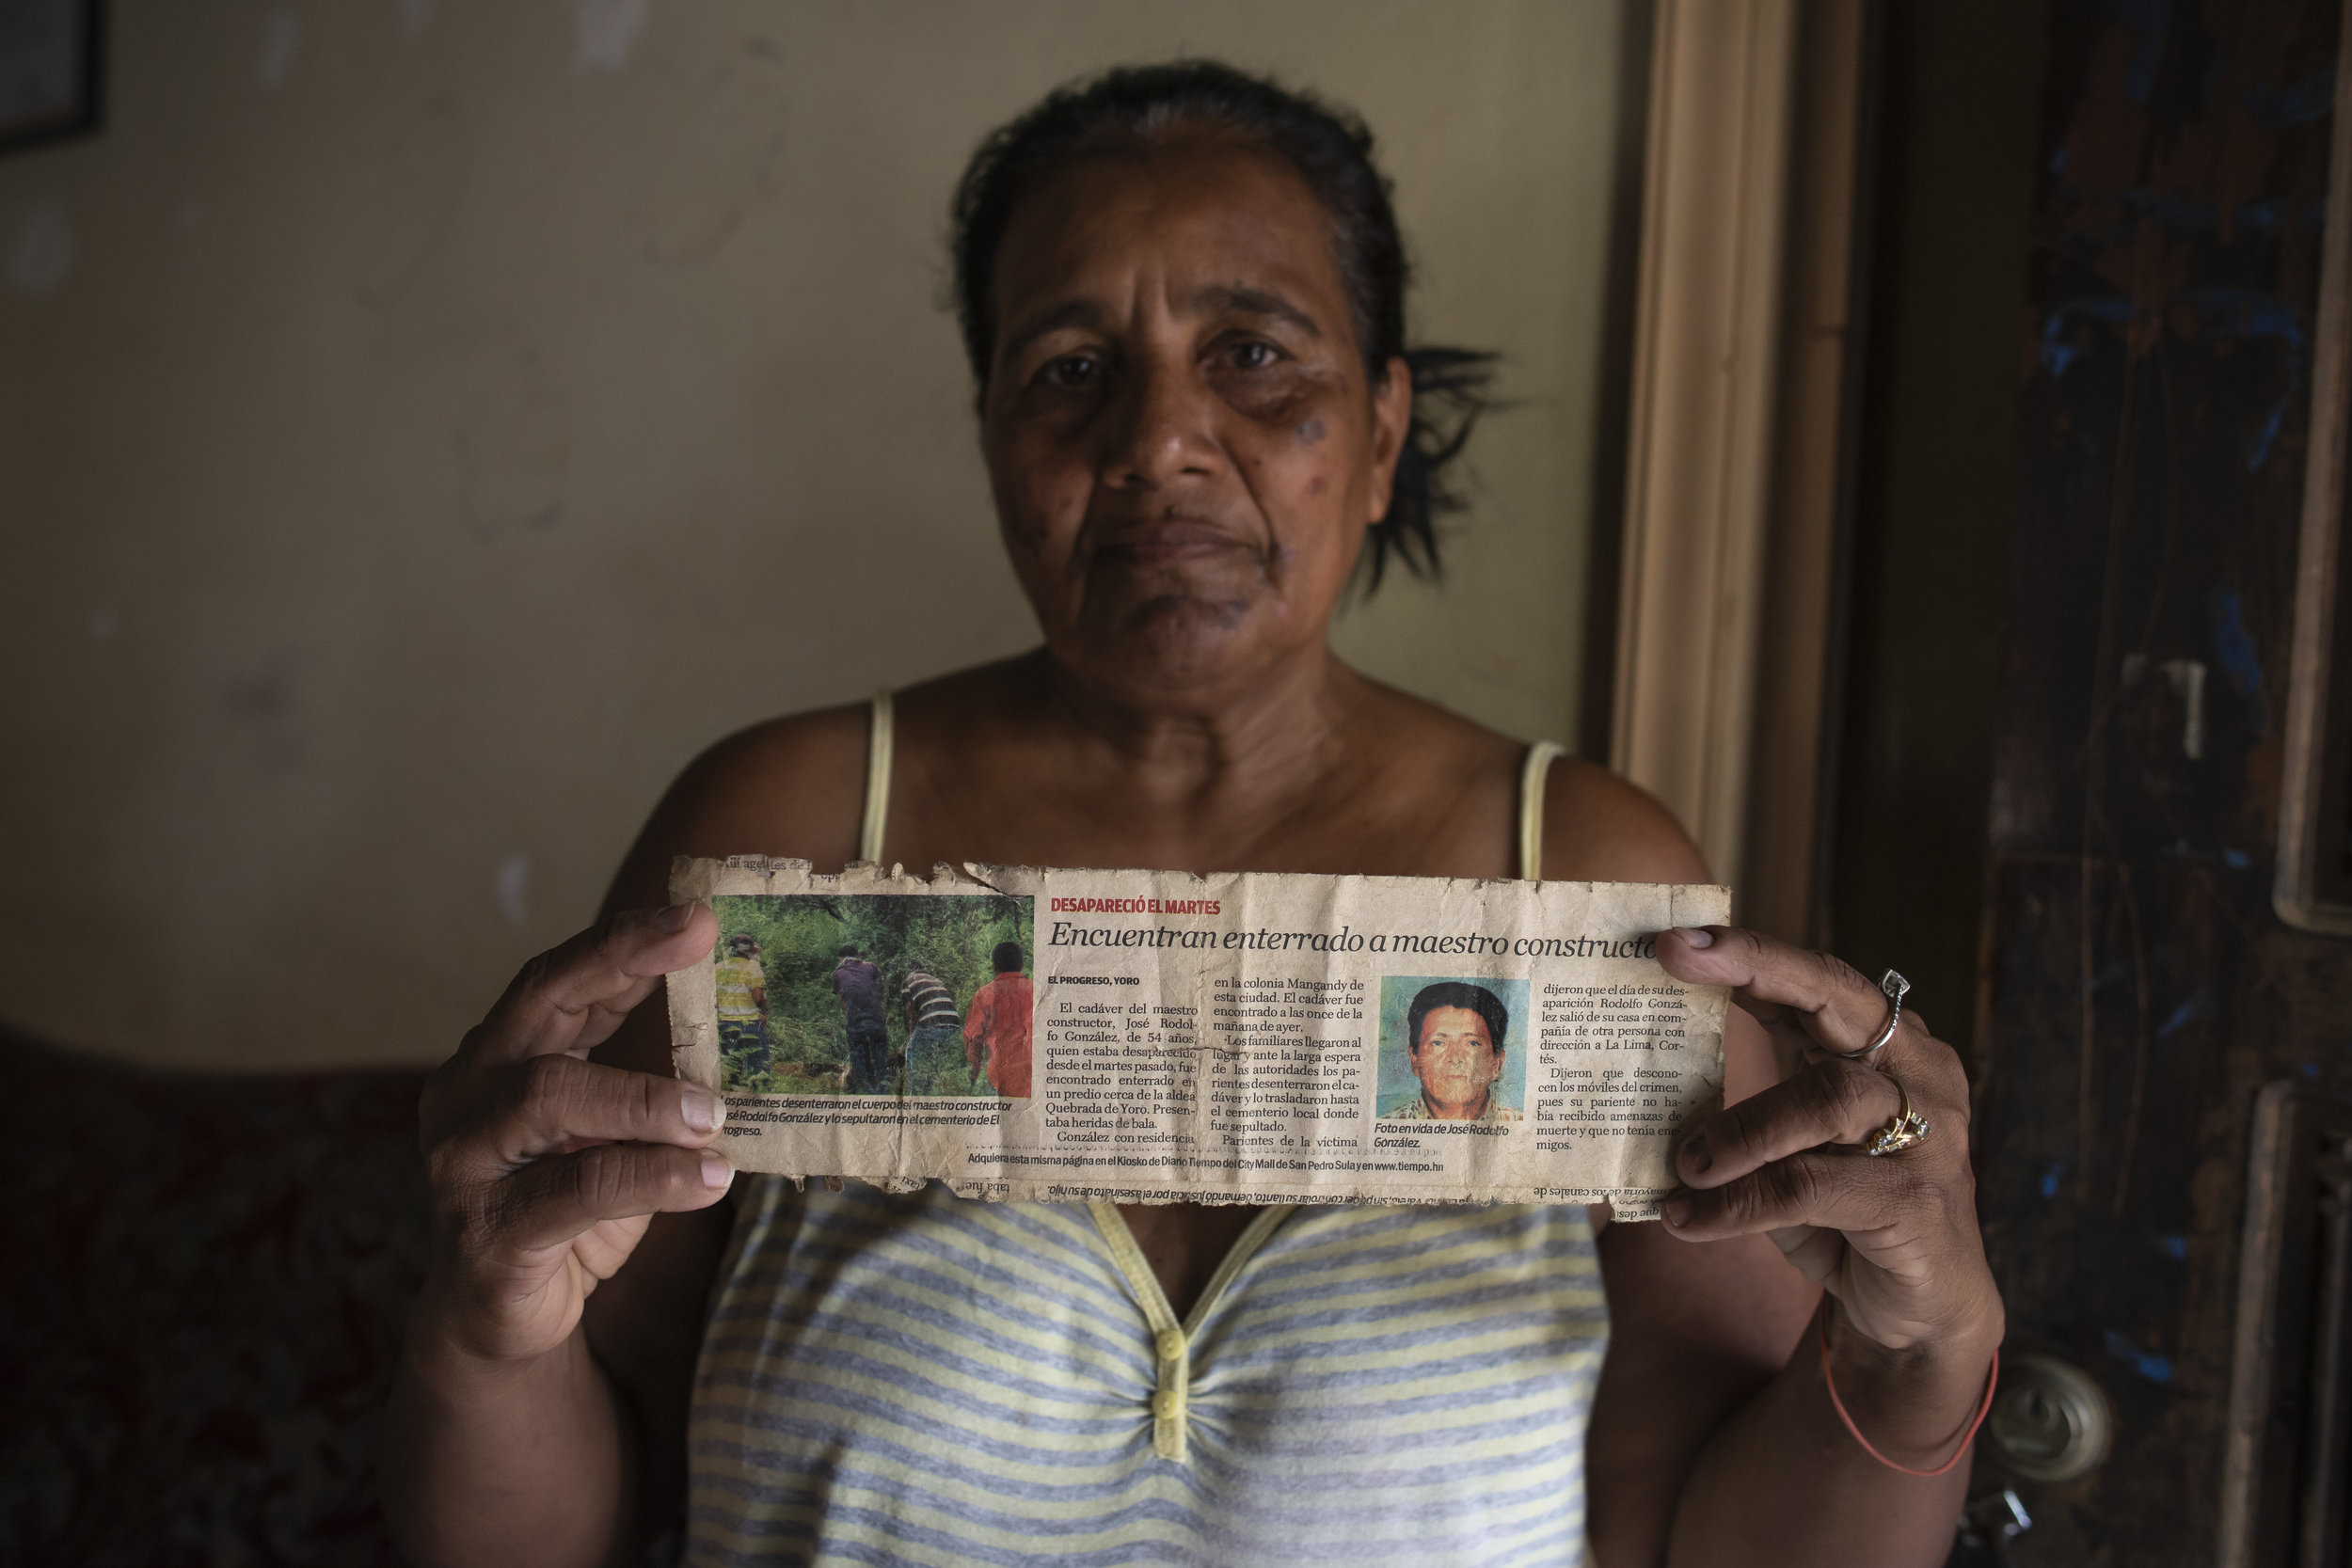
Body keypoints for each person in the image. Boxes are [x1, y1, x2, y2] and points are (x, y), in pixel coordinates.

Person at [382, 61, 2002, 1568]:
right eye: (1069, 370)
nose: (1156, 441)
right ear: (999, 446)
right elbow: (578, 1517)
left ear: (1378, 432)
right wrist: (482, 1330)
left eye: (1252, 353)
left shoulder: (1581, 875)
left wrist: (1928, 1353)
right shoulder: (801, 827)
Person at [1381, 979, 1520, 1121]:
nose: (1455, 1059)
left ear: (1497, 1063)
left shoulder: (1520, 1124)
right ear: (1415, 1059)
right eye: (1438, 1043)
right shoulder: (1385, 1124)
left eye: (1472, 1043)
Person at [961, 938, 1034, 1098]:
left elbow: (975, 1037)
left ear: (995, 966)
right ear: (1022, 965)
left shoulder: (985, 994)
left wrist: (974, 1068)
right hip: (1033, 1077)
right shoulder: (1036, 990)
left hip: (1000, 1078)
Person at [896, 963, 964, 1095]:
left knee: (911, 1050)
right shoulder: (935, 980)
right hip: (954, 1023)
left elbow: (909, 1008)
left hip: (933, 1021)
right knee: (932, 1058)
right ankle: (928, 1092)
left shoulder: (909, 981)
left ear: (909, 972)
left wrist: (912, 1029)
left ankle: (914, 1096)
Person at [827, 943, 887, 1094]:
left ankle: (866, 1089)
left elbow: (843, 1002)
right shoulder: (871, 967)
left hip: (856, 1019)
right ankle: (882, 1088)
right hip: (876, 1017)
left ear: (841, 958)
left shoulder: (837, 974)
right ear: (857, 955)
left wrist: (851, 1017)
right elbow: (879, 989)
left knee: (858, 1054)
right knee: (880, 1051)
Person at [708, 933, 768, 1081]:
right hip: (749, 1023)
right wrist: (764, 1011)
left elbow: (714, 999)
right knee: (757, 1067)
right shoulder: (752, 967)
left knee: (731, 1067)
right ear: (750, 950)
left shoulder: (718, 967)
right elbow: (758, 996)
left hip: (724, 1023)